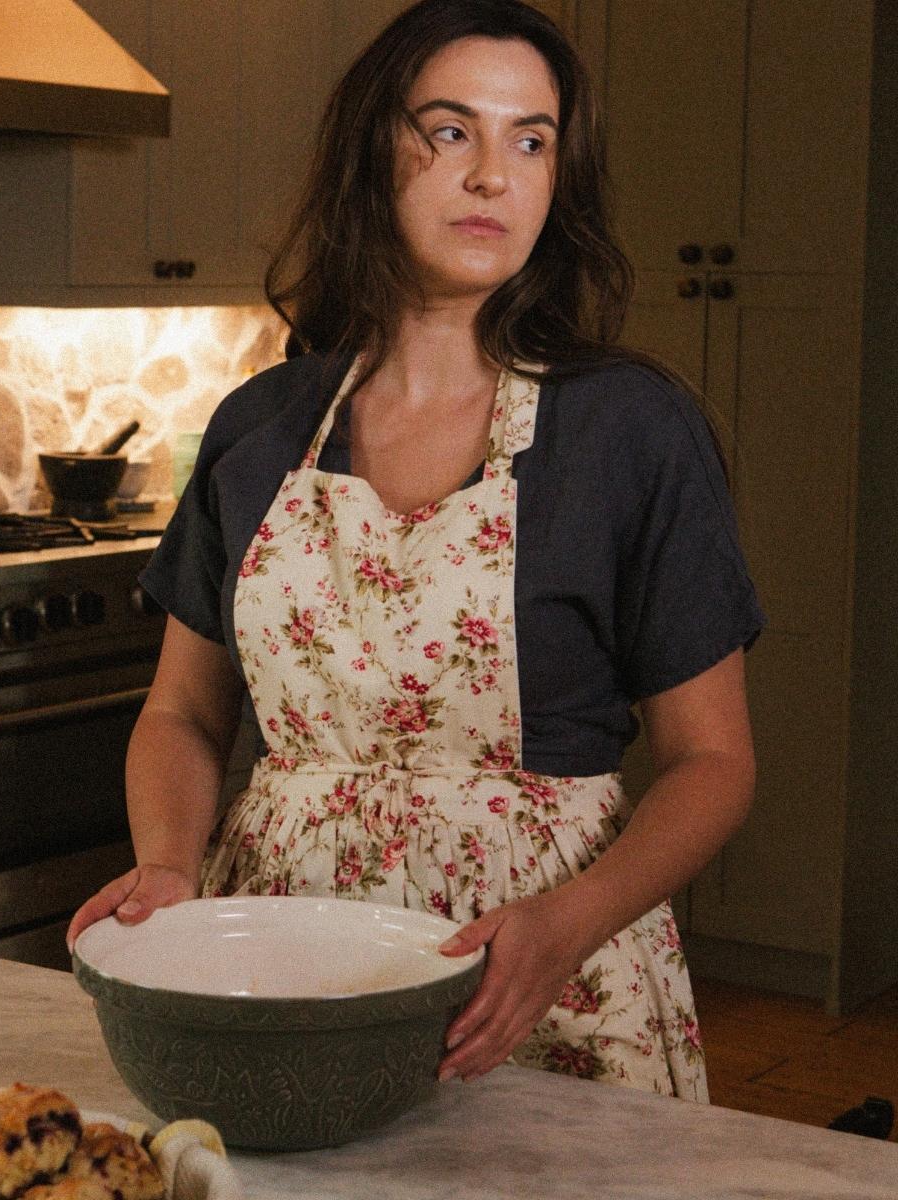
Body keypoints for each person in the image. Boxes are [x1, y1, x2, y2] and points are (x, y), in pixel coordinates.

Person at [67, 0, 763, 1101]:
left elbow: (714, 764)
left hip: (536, 974)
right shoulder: (259, 429)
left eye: (530, 141)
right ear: (369, 155)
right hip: (287, 959)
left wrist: (560, 928)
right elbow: (182, 713)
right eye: (450, 131)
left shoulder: (628, 431)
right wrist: (166, 862)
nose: (494, 174)